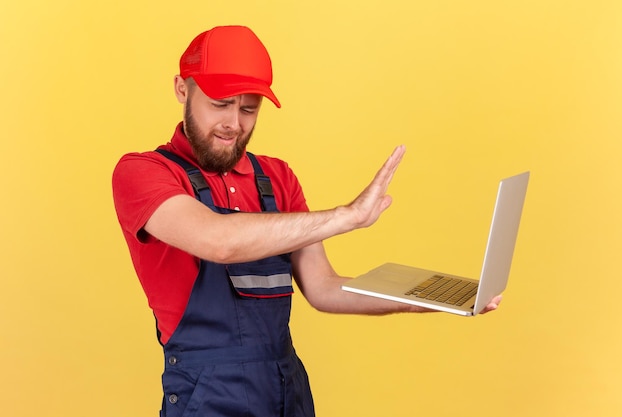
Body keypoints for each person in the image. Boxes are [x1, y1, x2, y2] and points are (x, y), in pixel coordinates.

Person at [112, 25, 501, 417]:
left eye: (249, 109)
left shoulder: (277, 178)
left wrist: (432, 299)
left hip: (286, 390)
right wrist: (346, 217)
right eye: (220, 103)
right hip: (207, 397)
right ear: (182, 88)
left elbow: (323, 288)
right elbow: (218, 240)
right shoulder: (144, 173)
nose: (234, 123)